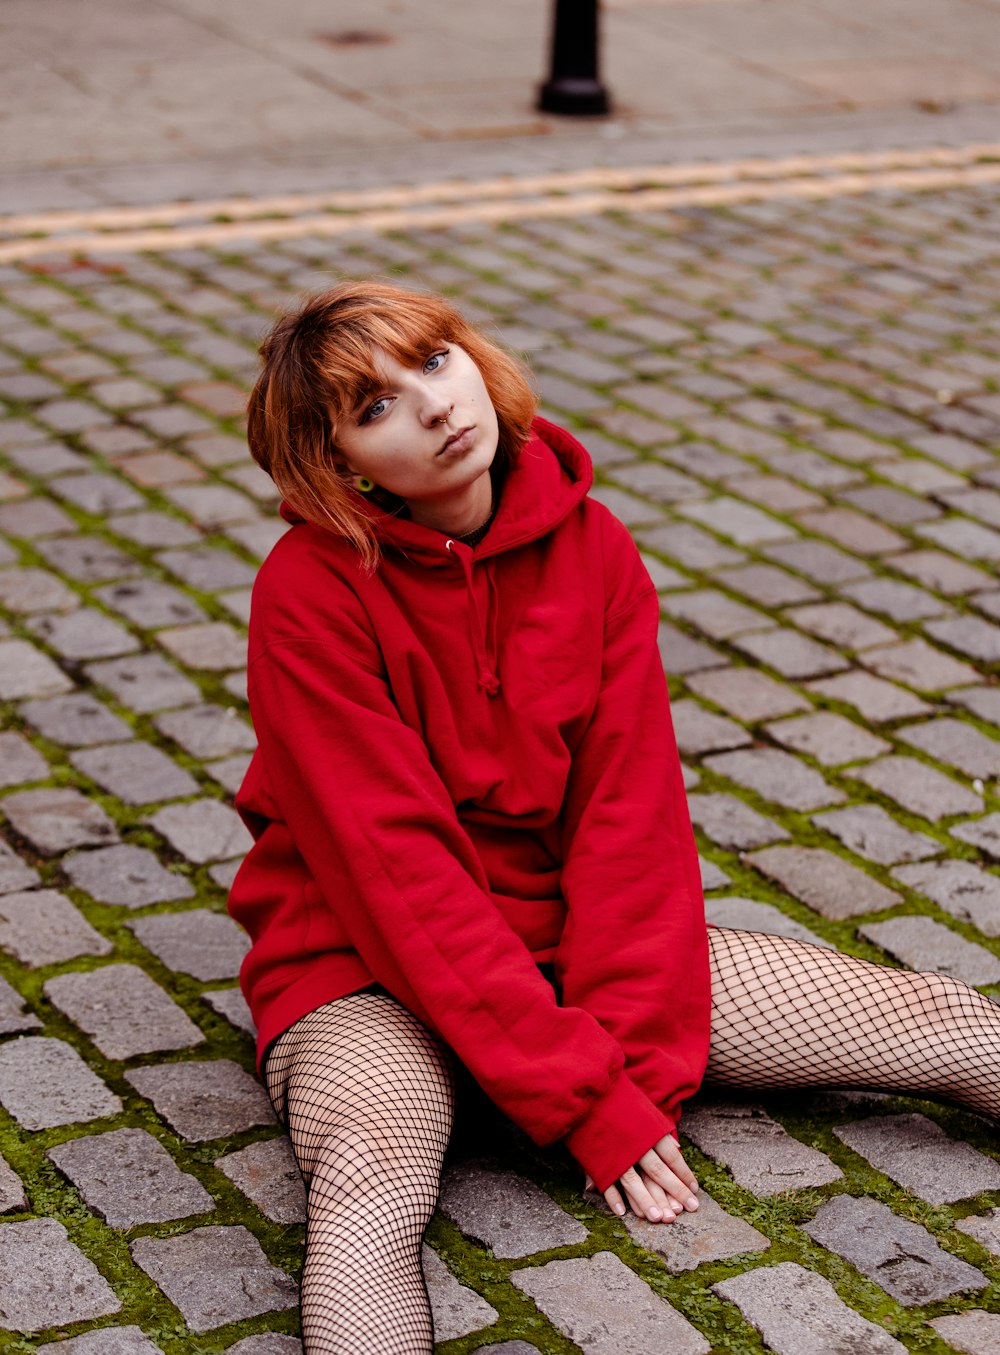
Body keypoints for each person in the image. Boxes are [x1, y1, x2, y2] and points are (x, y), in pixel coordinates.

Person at [229, 280, 1000, 1355]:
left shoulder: (592, 547)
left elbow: (628, 823)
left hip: (557, 941)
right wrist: (579, 1098)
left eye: (436, 361)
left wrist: (624, 1071)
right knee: (369, 1183)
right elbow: (393, 872)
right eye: (373, 407)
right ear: (342, 462)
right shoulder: (308, 593)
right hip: (365, 966)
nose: (435, 405)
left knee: (948, 1023)